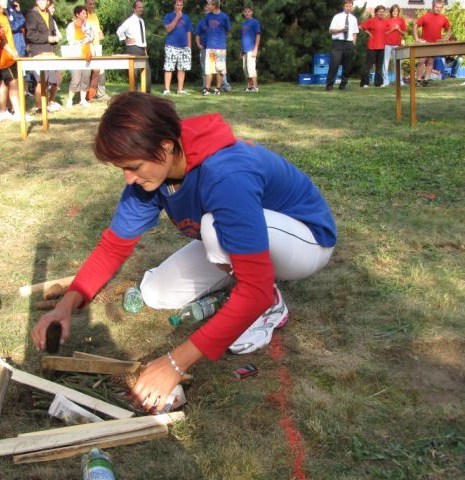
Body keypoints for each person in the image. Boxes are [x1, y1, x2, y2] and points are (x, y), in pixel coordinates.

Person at [31, 92, 337, 413]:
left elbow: (254, 289)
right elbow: (113, 246)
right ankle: (243, 272)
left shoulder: (225, 174)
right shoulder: (153, 171)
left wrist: (174, 363)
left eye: (133, 167)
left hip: (307, 240)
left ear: (165, 146)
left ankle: (270, 305)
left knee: (215, 231)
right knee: (155, 292)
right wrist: (67, 304)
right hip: (242, 235)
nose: (128, 178)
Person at [0, 0, 29, 122]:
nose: (6, 1)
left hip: (8, 54)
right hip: (5, 56)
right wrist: (12, 52)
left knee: (4, 84)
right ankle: (18, 112)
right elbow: (1, 39)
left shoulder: (3, 15)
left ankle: (2, 111)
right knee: (14, 83)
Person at [25, 0, 60, 112]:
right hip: (37, 52)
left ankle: (47, 104)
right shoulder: (32, 14)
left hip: (50, 51)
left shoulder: (48, 14)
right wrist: (47, 38)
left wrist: (55, 38)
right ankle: (39, 107)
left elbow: (52, 31)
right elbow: (30, 35)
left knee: (51, 80)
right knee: (42, 81)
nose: (42, 2)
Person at [413, 0, 451, 87]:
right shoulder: (426, 16)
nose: (438, 9)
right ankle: (418, 80)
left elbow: (449, 29)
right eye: (437, 7)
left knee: (430, 62)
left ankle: (426, 80)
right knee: (421, 61)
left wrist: (445, 39)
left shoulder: (443, 18)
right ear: (433, 6)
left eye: (440, 7)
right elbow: (415, 25)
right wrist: (417, 39)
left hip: (434, 44)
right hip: (425, 44)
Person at [117, 1, 151, 93]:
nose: (141, 9)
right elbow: (119, 31)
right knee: (134, 73)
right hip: (133, 48)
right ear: (134, 9)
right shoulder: (130, 21)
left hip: (142, 49)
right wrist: (125, 40)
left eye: (142, 7)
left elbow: (142, 36)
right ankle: (134, 93)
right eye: (139, 7)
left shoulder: (141, 21)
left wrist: (145, 48)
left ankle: (147, 94)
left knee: (147, 71)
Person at [326, 0, 359, 91]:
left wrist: (353, 44)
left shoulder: (354, 19)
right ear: (344, 6)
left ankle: (343, 85)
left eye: (350, 6)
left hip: (349, 43)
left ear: (352, 7)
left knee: (347, 66)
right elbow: (331, 30)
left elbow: (355, 33)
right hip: (338, 43)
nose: (348, 8)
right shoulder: (337, 17)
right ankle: (329, 85)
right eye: (347, 6)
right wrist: (341, 30)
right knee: (334, 64)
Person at [65, 5, 94, 108]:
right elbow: (71, 40)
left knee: (86, 77)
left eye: (86, 13)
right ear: (77, 14)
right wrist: (83, 41)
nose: (85, 15)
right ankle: (70, 100)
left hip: (87, 54)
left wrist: (87, 39)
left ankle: (83, 99)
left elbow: (92, 36)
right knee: (76, 78)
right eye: (83, 13)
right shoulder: (71, 26)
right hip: (76, 55)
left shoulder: (88, 25)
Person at [162, 0, 192, 95]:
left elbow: (188, 32)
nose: (179, 6)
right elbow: (168, 29)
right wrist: (177, 17)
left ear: (183, 6)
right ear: (174, 5)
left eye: (181, 5)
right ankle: (167, 90)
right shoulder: (168, 16)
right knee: (169, 67)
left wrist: (189, 46)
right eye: (177, 5)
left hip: (184, 46)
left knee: (182, 68)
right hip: (171, 45)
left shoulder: (186, 18)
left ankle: (180, 89)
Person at [85, 0, 109, 101]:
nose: (92, 6)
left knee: (100, 69)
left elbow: (98, 31)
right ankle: (86, 95)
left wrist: (100, 34)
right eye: (90, 4)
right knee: (88, 71)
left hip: (97, 46)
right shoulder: (83, 15)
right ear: (85, 4)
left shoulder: (95, 17)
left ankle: (101, 93)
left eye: (94, 4)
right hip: (87, 46)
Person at [359, 5, 388, 88]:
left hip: (381, 46)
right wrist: (368, 33)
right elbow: (360, 27)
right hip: (372, 46)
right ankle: (364, 83)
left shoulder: (385, 21)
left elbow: (387, 32)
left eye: (383, 12)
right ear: (376, 12)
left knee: (379, 66)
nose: (381, 13)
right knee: (368, 66)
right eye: (380, 11)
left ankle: (378, 83)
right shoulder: (371, 20)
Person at [382, 4, 406, 87]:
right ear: (391, 12)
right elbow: (384, 33)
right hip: (387, 44)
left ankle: (399, 81)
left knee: (398, 63)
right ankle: (385, 81)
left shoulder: (401, 20)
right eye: (393, 11)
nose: (395, 12)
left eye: (396, 11)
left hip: (397, 44)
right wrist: (393, 29)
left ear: (398, 12)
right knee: (385, 63)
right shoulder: (387, 20)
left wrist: (398, 29)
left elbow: (404, 33)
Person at [240, 4, 260, 93]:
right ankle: (249, 86)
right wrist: (241, 50)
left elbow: (258, 35)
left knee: (251, 68)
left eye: (249, 11)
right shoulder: (243, 24)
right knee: (245, 69)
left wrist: (255, 48)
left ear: (252, 12)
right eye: (245, 12)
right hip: (244, 50)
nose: (247, 13)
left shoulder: (255, 22)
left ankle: (255, 87)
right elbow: (243, 37)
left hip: (251, 49)